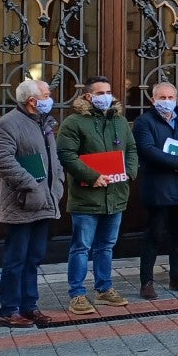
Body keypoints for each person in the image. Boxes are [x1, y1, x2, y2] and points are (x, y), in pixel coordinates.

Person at [57, 76, 138, 316]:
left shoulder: (120, 121)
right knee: (81, 247)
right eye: (101, 93)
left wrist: (129, 172)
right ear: (88, 96)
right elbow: (66, 154)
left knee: (107, 246)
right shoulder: (74, 122)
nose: (107, 97)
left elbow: (131, 149)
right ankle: (78, 294)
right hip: (86, 196)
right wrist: (92, 176)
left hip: (115, 194)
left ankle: (104, 289)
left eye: (109, 92)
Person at [0, 79, 62, 328]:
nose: (50, 98)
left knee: (34, 258)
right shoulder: (7, 124)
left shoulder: (44, 124)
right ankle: (8, 311)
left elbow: (54, 160)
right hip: (21, 203)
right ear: (32, 101)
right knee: (16, 259)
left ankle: (30, 306)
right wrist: (31, 185)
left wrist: (57, 184)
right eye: (47, 94)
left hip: (44, 203)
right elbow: (1, 160)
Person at [133, 82, 178, 298]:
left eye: (171, 97)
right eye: (162, 97)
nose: (167, 102)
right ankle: (146, 281)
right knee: (154, 235)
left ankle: (177, 277)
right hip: (159, 189)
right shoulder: (144, 122)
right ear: (153, 99)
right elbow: (147, 150)